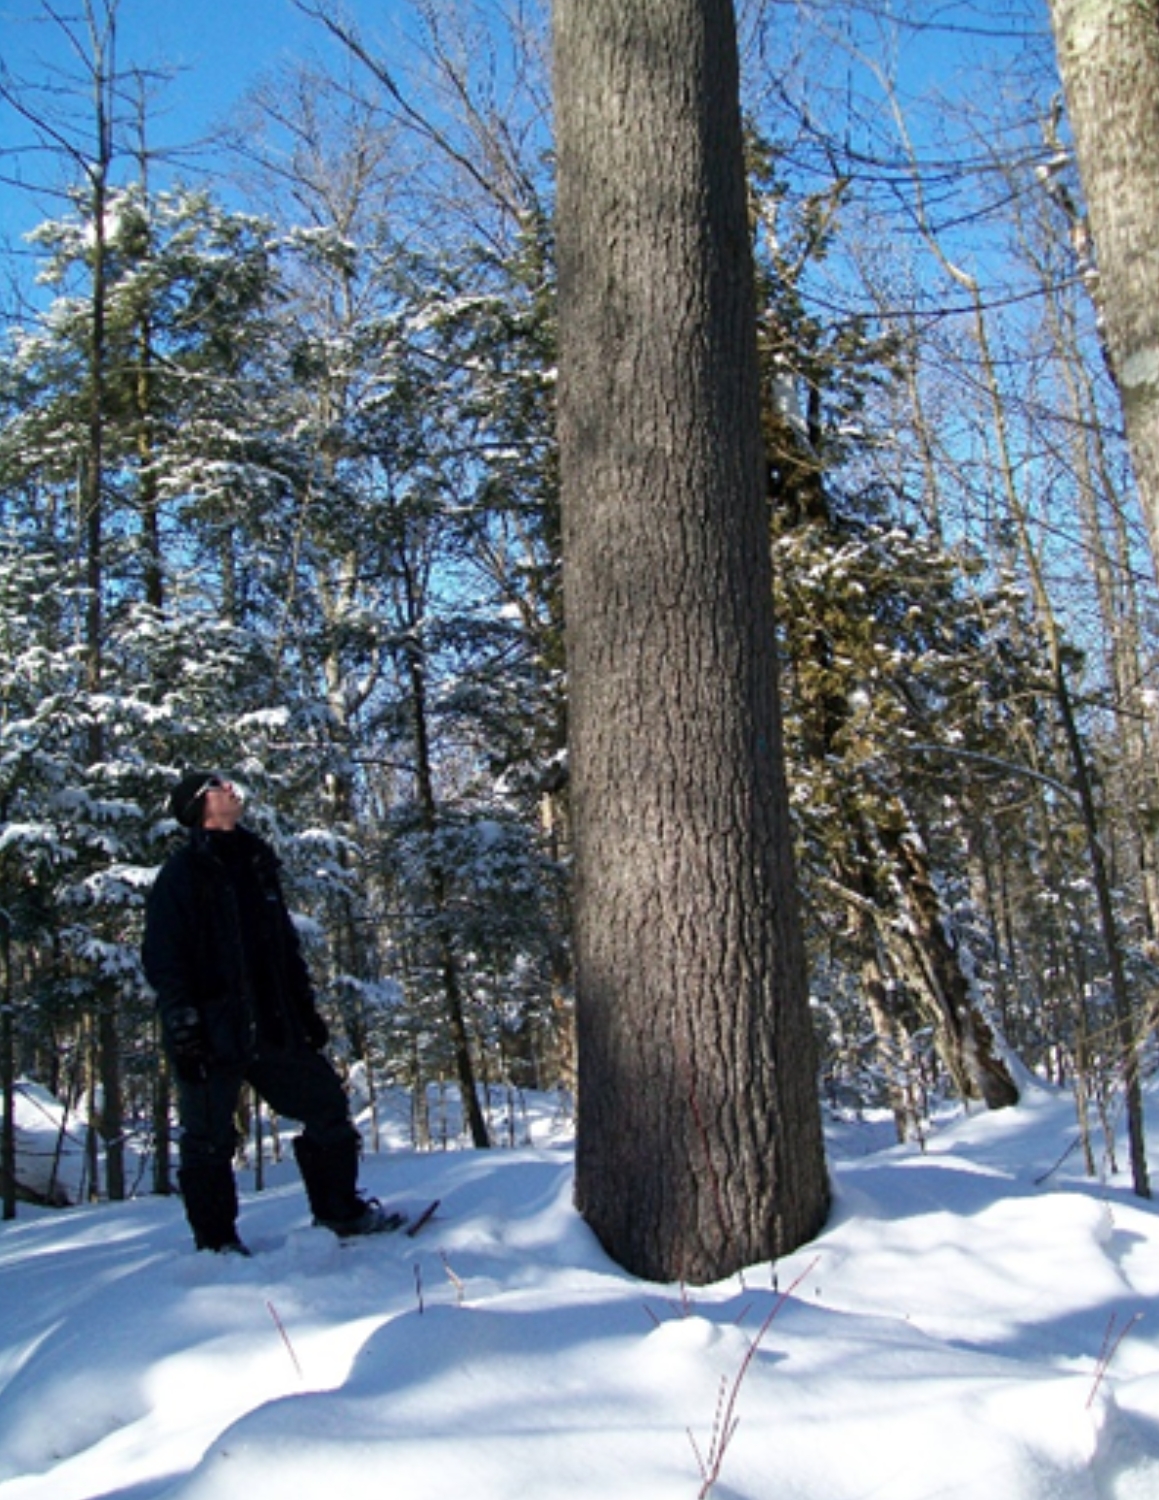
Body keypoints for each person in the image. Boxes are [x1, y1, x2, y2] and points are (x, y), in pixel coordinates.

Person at [143, 771, 401, 1253]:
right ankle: (217, 1247)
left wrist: (304, 1013)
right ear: (200, 805)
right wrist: (182, 1023)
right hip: (210, 1034)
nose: (232, 789)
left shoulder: (257, 863)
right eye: (219, 786)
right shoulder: (181, 874)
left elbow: (284, 949)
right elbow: (163, 956)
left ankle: (340, 1213)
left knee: (326, 1105)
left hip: (272, 1029)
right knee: (207, 1141)